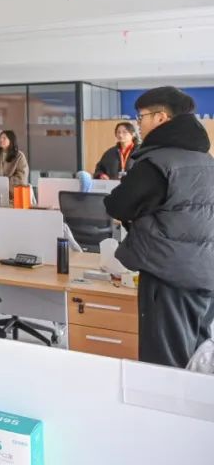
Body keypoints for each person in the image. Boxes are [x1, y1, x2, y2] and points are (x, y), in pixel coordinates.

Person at [105, 86, 214, 368]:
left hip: (167, 275)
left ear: (161, 117)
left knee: (164, 365)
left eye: (140, 117)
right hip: (205, 273)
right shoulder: (205, 161)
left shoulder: (158, 162)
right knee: (198, 356)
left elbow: (118, 205)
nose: (139, 124)